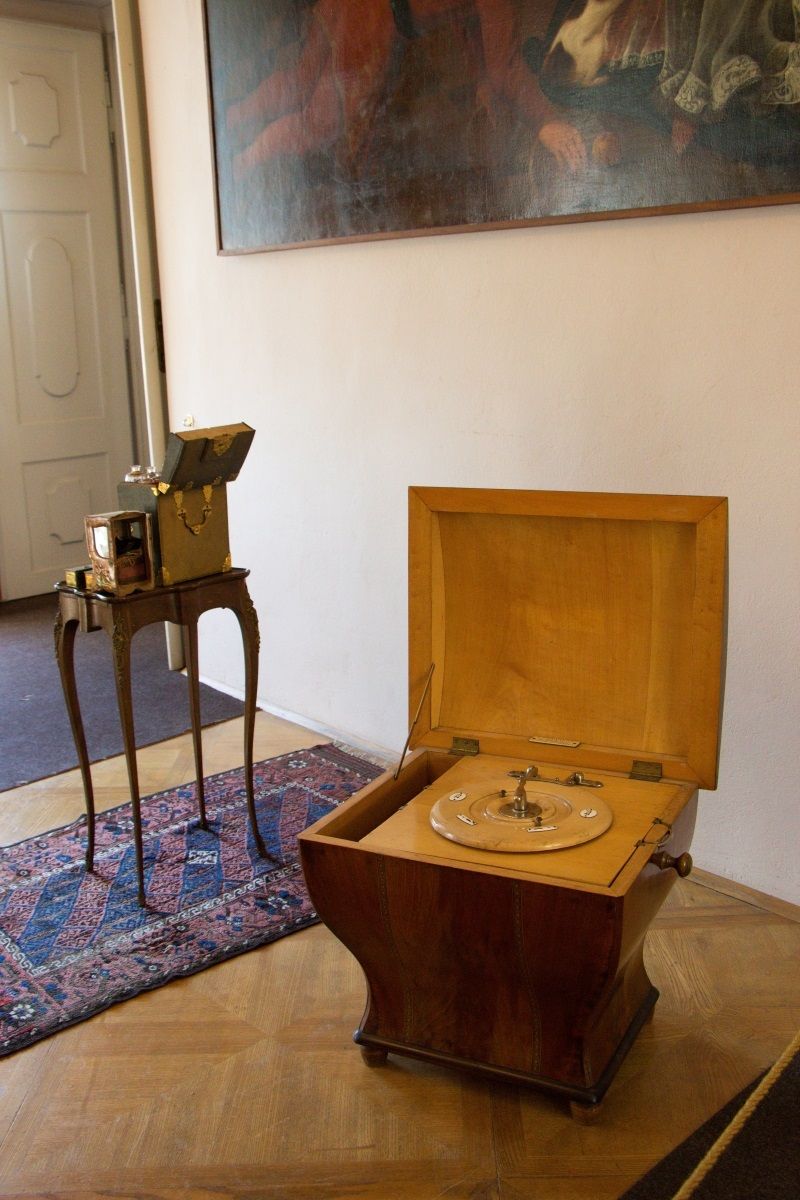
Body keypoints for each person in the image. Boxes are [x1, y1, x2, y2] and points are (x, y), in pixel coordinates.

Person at [226, 0, 588, 179]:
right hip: (369, 16)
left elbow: (465, 17)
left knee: (301, 78)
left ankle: (230, 119)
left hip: (351, 8)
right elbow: (504, 67)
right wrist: (546, 121)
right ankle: (241, 166)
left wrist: (481, 77)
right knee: (320, 124)